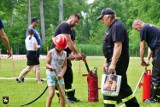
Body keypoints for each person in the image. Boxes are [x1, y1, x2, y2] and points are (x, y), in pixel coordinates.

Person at [97, 8, 139, 107]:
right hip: (113, 61)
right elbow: (109, 47)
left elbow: (118, 46)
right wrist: (106, 62)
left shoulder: (117, 26)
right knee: (123, 87)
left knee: (109, 87)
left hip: (118, 61)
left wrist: (113, 64)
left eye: (102, 19)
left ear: (108, 17)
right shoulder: (112, 27)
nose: (102, 21)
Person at [50, 14, 81, 103]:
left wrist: (72, 53)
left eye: (77, 22)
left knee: (68, 75)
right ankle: (61, 98)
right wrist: (76, 53)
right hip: (57, 54)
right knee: (60, 76)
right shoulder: (64, 26)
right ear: (70, 17)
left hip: (65, 55)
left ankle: (70, 97)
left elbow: (73, 43)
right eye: (74, 21)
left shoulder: (73, 31)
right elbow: (67, 40)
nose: (75, 23)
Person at [132, 19, 160, 102]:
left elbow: (142, 46)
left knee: (156, 75)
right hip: (157, 49)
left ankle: (153, 98)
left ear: (138, 24)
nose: (137, 31)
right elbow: (152, 47)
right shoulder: (151, 27)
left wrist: (141, 60)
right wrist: (147, 59)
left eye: (136, 29)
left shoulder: (143, 29)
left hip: (158, 50)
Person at [46, 34, 67, 107]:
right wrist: (50, 67)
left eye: (62, 47)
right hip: (51, 75)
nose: (61, 49)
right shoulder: (51, 52)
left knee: (63, 94)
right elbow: (46, 64)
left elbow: (65, 66)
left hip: (59, 76)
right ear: (56, 44)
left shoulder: (64, 53)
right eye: (60, 47)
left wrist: (61, 74)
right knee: (52, 93)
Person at [26, 17, 43, 82]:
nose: (37, 23)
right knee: (32, 66)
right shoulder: (30, 29)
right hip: (33, 50)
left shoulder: (34, 29)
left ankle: (37, 77)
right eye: (36, 21)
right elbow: (29, 39)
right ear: (33, 22)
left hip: (36, 49)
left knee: (34, 65)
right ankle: (21, 77)